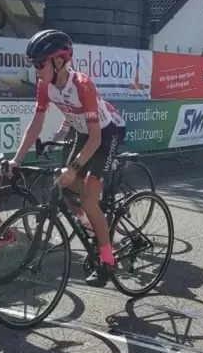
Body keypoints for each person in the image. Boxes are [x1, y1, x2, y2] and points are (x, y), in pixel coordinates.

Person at [7, 29, 126, 288]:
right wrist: (16, 159)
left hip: (106, 135)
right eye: (34, 65)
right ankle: (95, 229)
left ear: (59, 62)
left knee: (88, 197)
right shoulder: (44, 86)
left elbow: (96, 138)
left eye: (40, 64)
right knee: (64, 190)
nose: (37, 71)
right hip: (84, 134)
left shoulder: (82, 85)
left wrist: (74, 168)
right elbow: (36, 125)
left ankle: (108, 259)